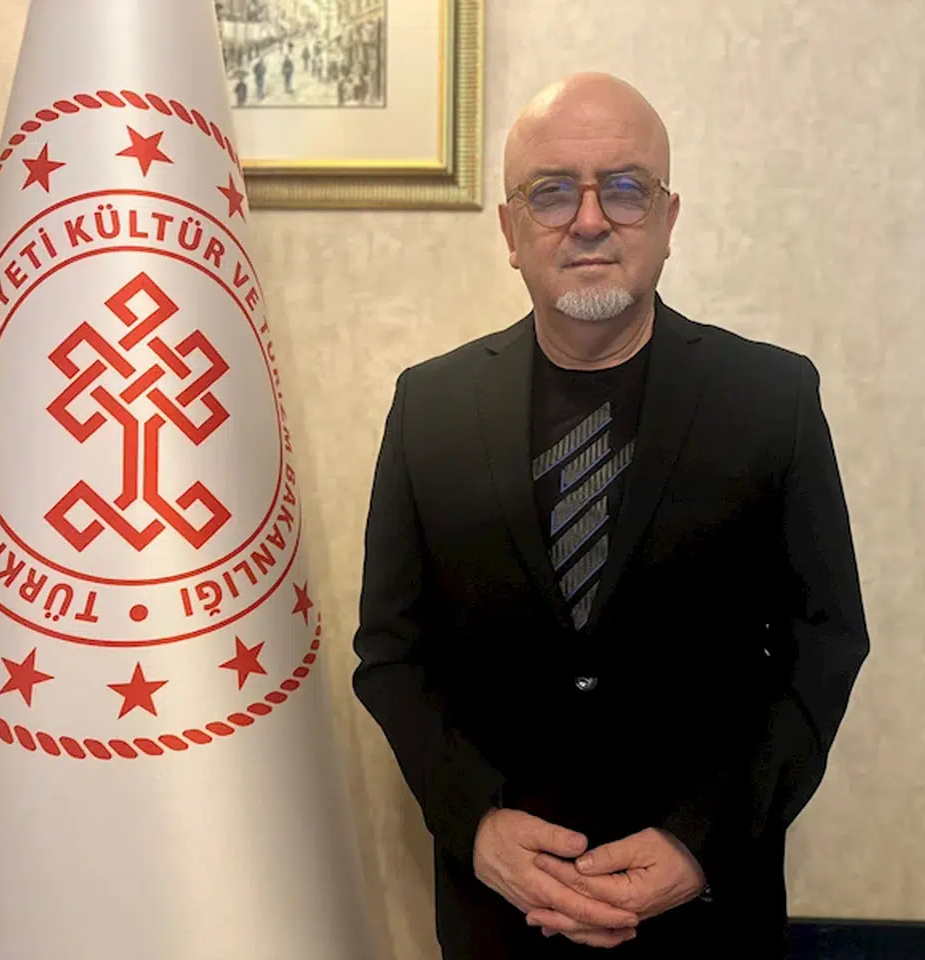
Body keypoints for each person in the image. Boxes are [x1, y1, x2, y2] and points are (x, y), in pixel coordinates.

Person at [352, 72, 870, 959]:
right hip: (501, 918)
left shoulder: (772, 400)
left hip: (708, 916)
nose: (589, 220)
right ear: (511, 231)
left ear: (668, 220)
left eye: (625, 188)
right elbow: (391, 653)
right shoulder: (427, 407)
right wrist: (475, 823)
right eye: (552, 192)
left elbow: (825, 645)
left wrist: (698, 842)